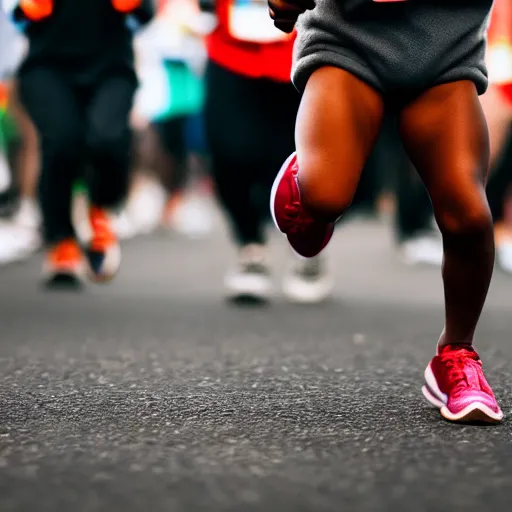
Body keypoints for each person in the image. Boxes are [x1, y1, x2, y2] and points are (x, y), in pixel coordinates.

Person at [268, 0, 503, 423]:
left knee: (469, 216)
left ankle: (457, 355)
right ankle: (307, 181)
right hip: (349, 40)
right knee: (325, 198)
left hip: (446, 49)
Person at [4, 0, 153, 286]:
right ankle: (61, 241)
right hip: (47, 63)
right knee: (61, 141)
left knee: (107, 138)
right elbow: (13, 14)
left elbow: (145, 15)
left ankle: (101, 208)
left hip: (111, 65)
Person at [204, 0, 333, 303]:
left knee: (302, 160)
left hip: (304, 45)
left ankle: (307, 248)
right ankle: (250, 246)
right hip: (230, 49)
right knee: (228, 151)